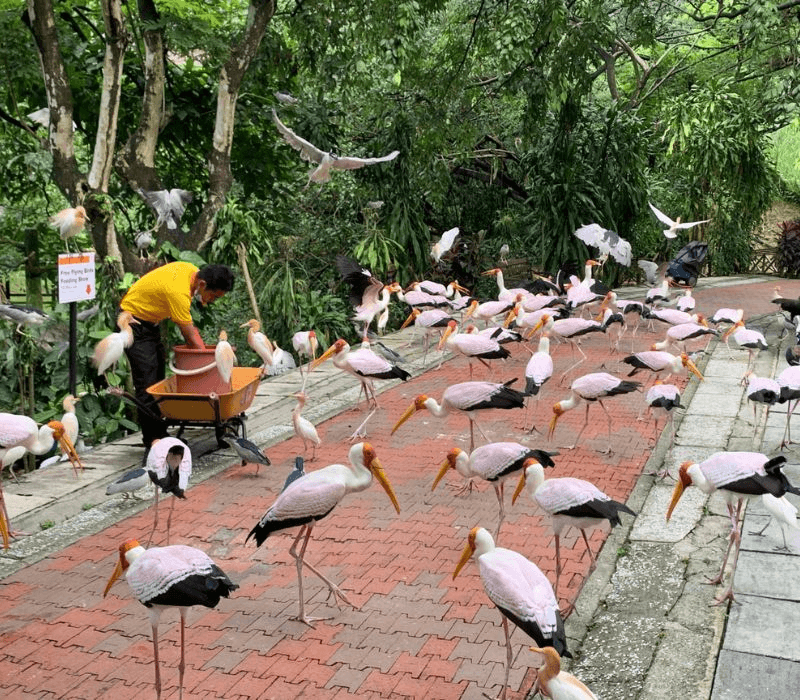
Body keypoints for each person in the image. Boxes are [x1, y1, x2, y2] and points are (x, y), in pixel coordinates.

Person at [119, 262, 235, 450]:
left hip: (150, 323)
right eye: (213, 296)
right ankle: (153, 440)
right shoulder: (178, 292)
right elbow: (190, 336)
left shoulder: (190, 270)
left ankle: (161, 434)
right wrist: (211, 362)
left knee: (157, 380)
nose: (211, 301)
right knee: (147, 384)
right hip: (132, 324)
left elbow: (191, 333)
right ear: (203, 284)